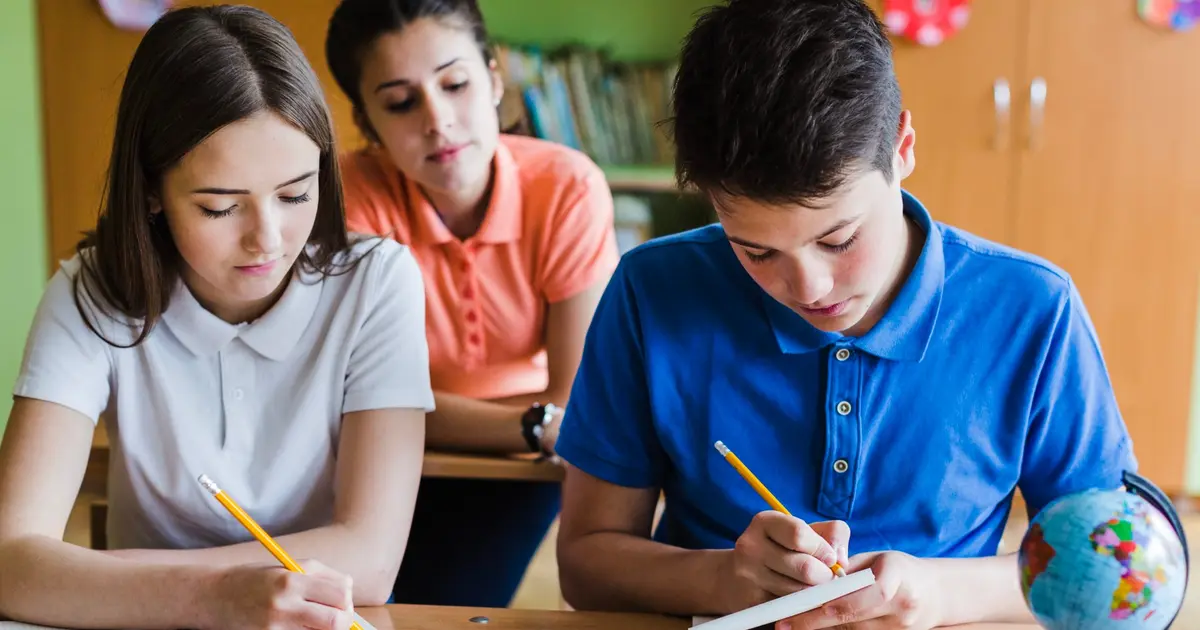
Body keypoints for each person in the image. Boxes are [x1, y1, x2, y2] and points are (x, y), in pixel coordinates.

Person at [553, 0, 1137, 628]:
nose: (809, 287)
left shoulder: (1033, 309)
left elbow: (1114, 569)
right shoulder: (653, 289)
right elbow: (584, 565)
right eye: (756, 250)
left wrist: (938, 594)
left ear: (902, 146)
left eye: (838, 239)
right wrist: (719, 579)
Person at [0, 6, 432, 629]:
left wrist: (126, 580)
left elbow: (371, 557)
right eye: (220, 208)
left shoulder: (376, 283)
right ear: (150, 190)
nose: (268, 239)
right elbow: (13, 562)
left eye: (295, 194)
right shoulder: (93, 291)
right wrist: (212, 598)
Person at [324, 0, 619, 608]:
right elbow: (344, 402)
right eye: (401, 102)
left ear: (494, 77)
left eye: (455, 83)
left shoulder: (568, 187)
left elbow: (579, 402)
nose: (438, 120)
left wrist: (542, 425)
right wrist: (530, 423)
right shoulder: (347, 198)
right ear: (367, 121)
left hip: (518, 468)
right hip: (382, 455)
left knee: (445, 602)